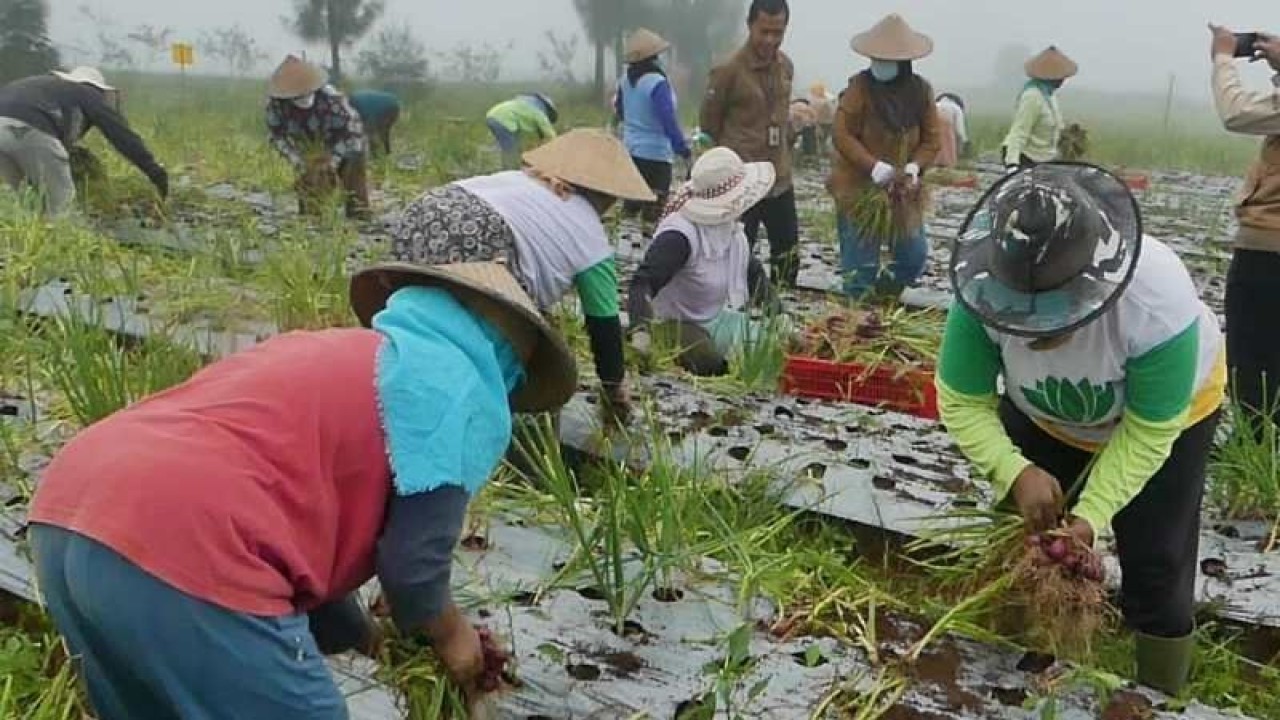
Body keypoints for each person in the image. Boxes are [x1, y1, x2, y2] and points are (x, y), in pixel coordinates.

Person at [28, 258, 579, 719]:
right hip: (188, 538)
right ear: (507, 362)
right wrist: (455, 641)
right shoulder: (457, 392)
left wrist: (369, 641)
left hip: (68, 505)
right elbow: (414, 568)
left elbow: (302, 551)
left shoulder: (342, 353)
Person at [936, 164, 1226, 696]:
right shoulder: (978, 292)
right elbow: (962, 400)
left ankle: (1157, 695)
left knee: (1158, 557)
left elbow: (1147, 430)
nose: (1039, 333)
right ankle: (1013, 680)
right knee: (1027, 546)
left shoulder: (1155, 301)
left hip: (1165, 419)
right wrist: (1014, 470)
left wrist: (1092, 514)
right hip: (1044, 415)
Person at [389, 129, 654, 424]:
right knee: (507, 343)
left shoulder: (516, 179)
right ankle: (477, 423)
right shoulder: (591, 240)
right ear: (608, 197)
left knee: (423, 325)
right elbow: (603, 326)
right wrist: (614, 389)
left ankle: (397, 392)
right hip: (477, 240)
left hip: (418, 219)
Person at [628, 148, 777, 376]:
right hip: (672, 323)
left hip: (713, 318)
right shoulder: (680, 237)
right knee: (709, 362)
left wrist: (779, 315)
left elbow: (753, 273)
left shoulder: (731, 232)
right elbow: (642, 283)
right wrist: (641, 331)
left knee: (770, 350)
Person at [828, 13, 940, 300]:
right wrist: (873, 166)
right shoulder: (859, 89)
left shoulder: (920, 92)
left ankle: (884, 295)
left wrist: (915, 167)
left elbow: (932, 140)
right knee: (859, 268)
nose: (881, 65)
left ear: (903, 63)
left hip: (901, 190)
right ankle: (857, 318)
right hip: (859, 190)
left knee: (913, 256)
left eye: (888, 60)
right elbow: (841, 134)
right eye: (877, 59)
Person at [1209, 25, 1280, 429]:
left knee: (1251, 356)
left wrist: (1222, 57)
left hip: (1268, 248)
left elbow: (1236, 112)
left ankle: (1254, 442)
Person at [700, 0, 798, 288]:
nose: (770, 40)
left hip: (779, 178)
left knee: (788, 257)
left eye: (778, 33)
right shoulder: (727, 70)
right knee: (738, 256)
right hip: (741, 181)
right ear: (750, 25)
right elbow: (709, 125)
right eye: (764, 32)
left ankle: (780, 314)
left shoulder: (786, 67)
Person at [0, 67, 167, 215]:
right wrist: (154, 170)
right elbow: (120, 134)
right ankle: (64, 243)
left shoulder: (45, 88)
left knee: (25, 201)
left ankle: (29, 245)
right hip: (33, 130)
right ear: (98, 89)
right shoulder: (86, 92)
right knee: (61, 202)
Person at [265, 55, 370, 219]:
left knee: (353, 182)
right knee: (310, 183)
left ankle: (360, 220)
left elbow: (354, 133)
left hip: (344, 144)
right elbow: (277, 137)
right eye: (297, 97)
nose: (304, 100)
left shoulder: (333, 100)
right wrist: (297, 161)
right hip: (307, 146)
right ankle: (311, 221)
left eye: (307, 94)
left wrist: (334, 162)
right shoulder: (276, 106)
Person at [614, 28, 691, 223]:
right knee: (654, 216)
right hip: (656, 157)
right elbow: (668, 120)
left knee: (629, 213)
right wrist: (682, 149)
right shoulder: (657, 83)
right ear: (653, 58)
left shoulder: (625, 82)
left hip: (631, 153)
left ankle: (623, 249)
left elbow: (620, 111)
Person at [1002, 46, 1077, 172]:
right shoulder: (1032, 97)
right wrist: (1012, 164)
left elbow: (1055, 123)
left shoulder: (1049, 95)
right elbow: (1019, 131)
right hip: (1026, 156)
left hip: (1044, 158)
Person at [486, 93, 558, 169]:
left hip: (492, 115)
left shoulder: (525, 105)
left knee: (508, 145)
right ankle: (511, 171)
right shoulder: (539, 113)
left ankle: (503, 166)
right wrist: (557, 149)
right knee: (510, 149)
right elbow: (551, 135)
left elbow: (537, 134)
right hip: (503, 119)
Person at [348, 89, 402, 157]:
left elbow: (367, 125)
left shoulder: (357, 104)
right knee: (384, 130)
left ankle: (375, 155)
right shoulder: (357, 98)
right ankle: (387, 151)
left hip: (387, 108)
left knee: (371, 132)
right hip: (394, 104)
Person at [934, 92, 969, 167]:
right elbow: (960, 132)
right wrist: (960, 150)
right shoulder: (956, 108)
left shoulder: (934, 106)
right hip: (948, 132)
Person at [810, 81, 838, 151]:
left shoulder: (817, 102)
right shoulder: (826, 101)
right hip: (827, 123)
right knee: (823, 141)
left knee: (821, 141)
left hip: (823, 123)